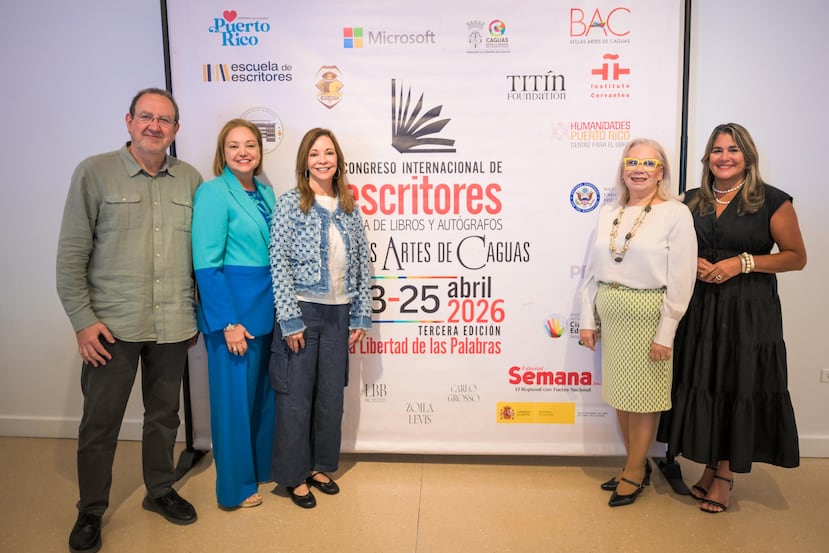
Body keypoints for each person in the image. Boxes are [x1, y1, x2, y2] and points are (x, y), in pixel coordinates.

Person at [56, 88, 203, 553]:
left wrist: (196, 312)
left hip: (173, 324)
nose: (154, 126)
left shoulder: (190, 179)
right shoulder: (94, 172)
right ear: (129, 121)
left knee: (164, 417)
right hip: (110, 328)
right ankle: (91, 509)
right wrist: (82, 321)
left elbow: (201, 256)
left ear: (176, 129)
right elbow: (71, 256)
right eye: (146, 116)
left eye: (164, 120)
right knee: (100, 423)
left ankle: (159, 490)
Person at [657, 123, 807, 513]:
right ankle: (711, 466)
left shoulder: (772, 201)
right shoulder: (691, 200)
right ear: (708, 157)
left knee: (736, 382)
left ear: (748, 157)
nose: (724, 157)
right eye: (718, 150)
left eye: (733, 150)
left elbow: (796, 257)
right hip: (701, 308)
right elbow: (669, 246)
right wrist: (692, 262)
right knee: (709, 381)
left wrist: (741, 263)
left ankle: (724, 474)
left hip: (747, 310)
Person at [579, 138, 697, 508]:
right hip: (612, 313)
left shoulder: (676, 213)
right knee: (621, 395)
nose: (639, 170)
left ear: (661, 171)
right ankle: (636, 464)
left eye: (648, 163)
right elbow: (592, 272)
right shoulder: (609, 212)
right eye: (632, 162)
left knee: (644, 399)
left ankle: (633, 471)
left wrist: (666, 333)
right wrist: (588, 319)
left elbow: (682, 279)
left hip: (649, 314)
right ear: (623, 169)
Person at [268, 128, 371, 509]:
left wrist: (360, 315)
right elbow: (278, 261)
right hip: (303, 310)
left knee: (330, 397)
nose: (322, 159)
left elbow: (362, 264)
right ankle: (293, 476)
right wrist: (289, 319)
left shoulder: (349, 206)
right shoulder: (290, 203)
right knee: (295, 398)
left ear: (338, 161)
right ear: (305, 162)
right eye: (315, 153)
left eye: (329, 153)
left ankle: (318, 466)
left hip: (339, 313)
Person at [192, 119, 276, 509]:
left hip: (264, 307)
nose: (243, 152)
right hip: (233, 312)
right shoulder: (213, 193)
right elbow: (207, 265)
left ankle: (260, 467)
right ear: (222, 153)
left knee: (260, 397)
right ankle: (235, 487)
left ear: (260, 150)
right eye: (233, 146)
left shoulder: (266, 192)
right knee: (232, 404)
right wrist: (228, 322)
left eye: (250, 145)